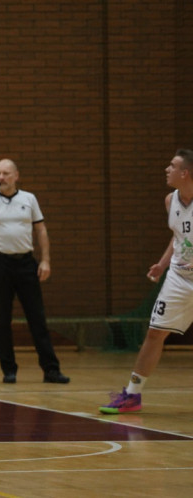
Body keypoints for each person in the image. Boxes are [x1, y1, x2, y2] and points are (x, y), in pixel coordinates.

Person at [100, 149, 193, 414]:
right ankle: (132, 395)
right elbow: (178, 237)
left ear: (185, 173)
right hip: (179, 277)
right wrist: (162, 264)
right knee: (155, 333)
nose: (167, 169)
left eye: (172, 165)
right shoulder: (170, 201)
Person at [0, 158, 70, 384]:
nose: (0, 178)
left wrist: (45, 260)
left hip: (26, 263)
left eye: (5, 173)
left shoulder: (29, 199)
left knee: (37, 317)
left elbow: (41, 230)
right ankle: (9, 370)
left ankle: (51, 369)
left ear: (16, 176)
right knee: (2, 318)